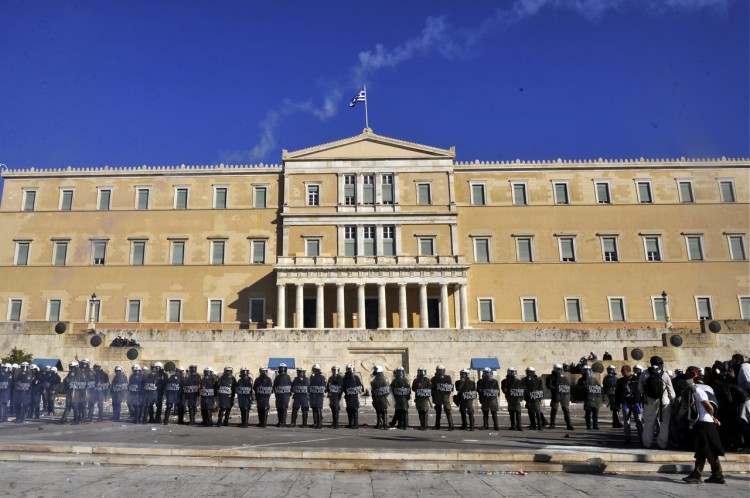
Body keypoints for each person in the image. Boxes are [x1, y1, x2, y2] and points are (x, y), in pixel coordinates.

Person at [682, 367, 725, 484]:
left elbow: (709, 406)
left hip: (703, 423)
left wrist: (711, 416)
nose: (686, 382)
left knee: (704, 449)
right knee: (706, 450)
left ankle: (699, 475)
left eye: (688, 379)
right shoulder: (706, 387)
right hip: (705, 422)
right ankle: (716, 475)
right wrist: (713, 418)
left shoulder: (697, 390)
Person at [639, 356, 676, 449]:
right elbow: (670, 389)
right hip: (664, 401)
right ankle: (662, 443)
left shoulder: (645, 373)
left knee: (648, 422)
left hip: (650, 401)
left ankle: (647, 443)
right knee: (665, 422)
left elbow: (640, 388)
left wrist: (646, 394)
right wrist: (673, 400)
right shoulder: (665, 374)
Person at [615, 364, 643, 444]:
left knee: (639, 421)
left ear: (629, 371)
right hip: (626, 403)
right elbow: (618, 393)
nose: (623, 374)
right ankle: (627, 438)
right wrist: (617, 403)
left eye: (624, 372)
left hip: (636, 403)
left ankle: (641, 437)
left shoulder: (636, 379)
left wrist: (640, 401)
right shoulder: (620, 381)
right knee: (626, 422)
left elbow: (641, 391)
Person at [547, 364, 574, 430]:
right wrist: (556, 389)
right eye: (558, 369)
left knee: (566, 410)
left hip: (564, 395)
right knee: (554, 410)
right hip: (556, 395)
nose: (559, 370)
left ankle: (569, 424)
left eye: (560, 369)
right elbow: (548, 385)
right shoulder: (551, 377)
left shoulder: (563, 377)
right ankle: (552, 424)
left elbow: (567, 384)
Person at [577, 365, 602, 430]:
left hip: (594, 397)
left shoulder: (593, 379)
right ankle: (588, 426)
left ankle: (595, 425)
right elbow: (578, 388)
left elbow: (598, 387)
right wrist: (584, 388)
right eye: (585, 370)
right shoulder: (581, 380)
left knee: (595, 412)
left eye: (588, 370)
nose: (587, 372)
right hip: (587, 398)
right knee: (588, 413)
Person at [431, 365, 454, 431]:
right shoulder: (446, 377)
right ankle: (450, 425)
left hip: (441, 396)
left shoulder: (435, 378)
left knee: (443, 411)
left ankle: (445, 425)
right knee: (445, 410)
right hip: (442, 396)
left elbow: (450, 387)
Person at [502, 367, 525, 431]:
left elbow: (522, 389)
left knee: (516, 412)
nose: (514, 373)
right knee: (512, 412)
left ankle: (518, 426)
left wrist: (520, 396)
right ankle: (514, 425)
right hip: (511, 398)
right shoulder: (505, 381)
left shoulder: (518, 381)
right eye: (512, 372)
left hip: (515, 398)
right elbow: (504, 390)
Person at [342, 364, 362, 429]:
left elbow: (360, 387)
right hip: (350, 396)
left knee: (353, 409)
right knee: (351, 409)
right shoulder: (348, 377)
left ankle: (354, 424)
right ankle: (352, 423)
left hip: (351, 396)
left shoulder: (352, 377)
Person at [370, 365, 390, 430]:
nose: (374, 371)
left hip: (379, 397)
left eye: (375, 370)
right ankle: (383, 424)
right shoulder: (383, 378)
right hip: (381, 397)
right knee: (381, 410)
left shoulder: (378, 379)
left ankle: (381, 424)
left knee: (380, 411)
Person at [524, 366, 544, 431]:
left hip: (530, 397)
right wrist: (541, 397)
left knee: (531, 412)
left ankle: (533, 425)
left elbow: (524, 389)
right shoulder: (538, 379)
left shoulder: (525, 379)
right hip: (536, 397)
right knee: (537, 411)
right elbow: (541, 389)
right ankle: (539, 425)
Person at [273, 363, 292, 427]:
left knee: (282, 408)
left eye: (282, 368)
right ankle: (281, 422)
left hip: (284, 395)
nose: (282, 369)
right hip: (281, 395)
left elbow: (290, 386)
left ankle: (283, 422)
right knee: (280, 408)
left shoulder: (286, 377)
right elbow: (274, 386)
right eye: (281, 368)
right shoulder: (278, 377)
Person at [308, 364, 326, 429]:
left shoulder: (322, 377)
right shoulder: (312, 377)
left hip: (319, 395)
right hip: (313, 395)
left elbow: (324, 386)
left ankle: (319, 423)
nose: (313, 370)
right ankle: (315, 423)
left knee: (318, 408)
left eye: (314, 369)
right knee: (314, 408)